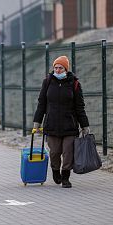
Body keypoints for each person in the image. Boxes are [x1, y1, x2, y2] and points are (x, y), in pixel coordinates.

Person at [33, 56, 89, 188]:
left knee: (68, 152)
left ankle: (66, 176)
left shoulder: (74, 83)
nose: (57, 70)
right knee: (54, 152)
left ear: (66, 69)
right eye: (56, 68)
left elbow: (80, 106)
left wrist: (85, 125)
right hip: (52, 124)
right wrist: (37, 122)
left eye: (60, 68)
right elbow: (41, 104)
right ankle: (55, 171)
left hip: (69, 125)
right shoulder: (47, 82)